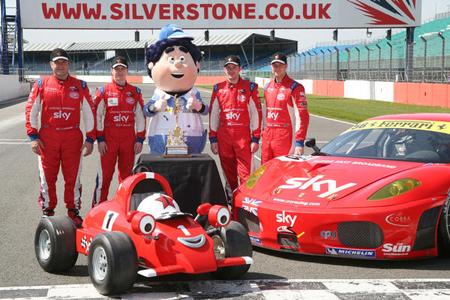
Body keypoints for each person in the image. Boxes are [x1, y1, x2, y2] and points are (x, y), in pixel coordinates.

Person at [25, 48, 95, 227]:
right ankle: (48, 210)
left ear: (68, 64)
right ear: (51, 65)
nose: (60, 65)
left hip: (72, 137)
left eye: (64, 62)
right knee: (48, 177)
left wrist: (90, 138)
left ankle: (73, 211)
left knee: (73, 178)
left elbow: (89, 112)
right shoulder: (41, 85)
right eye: (57, 62)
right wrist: (33, 136)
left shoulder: (80, 85)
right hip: (48, 137)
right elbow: (31, 111)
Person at [144, 24, 208, 154]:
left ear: (196, 64)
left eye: (183, 59)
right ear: (152, 65)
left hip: (192, 139)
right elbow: (146, 111)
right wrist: (154, 107)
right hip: (161, 139)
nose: (178, 63)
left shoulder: (194, 92)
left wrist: (198, 106)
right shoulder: (159, 93)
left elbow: (206, 110)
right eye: (172, 59)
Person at [92, 56, 146, 206]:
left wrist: (139, 139)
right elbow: (97, 115)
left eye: (122, 69)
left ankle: (123, 208)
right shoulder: (103, 91)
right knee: (105, 177)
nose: (120, 72)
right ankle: (98, 208)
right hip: (109, 141)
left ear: (127, 71)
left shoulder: (135, 92)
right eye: (117, 69)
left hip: (128, 141)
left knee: (127, 178)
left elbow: (140, 117)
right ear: (112, 71)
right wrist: (100, 139)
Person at [209, 55, 262, 193]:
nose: (231, 71)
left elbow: (256, 114)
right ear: (224, 70)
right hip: (224, 139)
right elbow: (213, 114)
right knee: (228, 175)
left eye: (234, 68)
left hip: (243, 139)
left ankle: (247, 204)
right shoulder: (218, 89)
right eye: (228, 68)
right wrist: (213, 138)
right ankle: (231, 205)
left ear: (239, 69)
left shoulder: (250, 87)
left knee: (247, 175)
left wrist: (256, 138)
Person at [261, 52, 310, 164]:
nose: (277, 68)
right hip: (268, 138)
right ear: (271, 67)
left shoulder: (295, 88)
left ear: (286, 66)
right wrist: (263, 133)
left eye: (280, 65)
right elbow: (265, 113)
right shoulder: (267, 87)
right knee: (265, 172)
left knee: (284, 172)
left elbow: (302, 117)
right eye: (274, 65)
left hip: (285, 138)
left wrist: (299, 142)